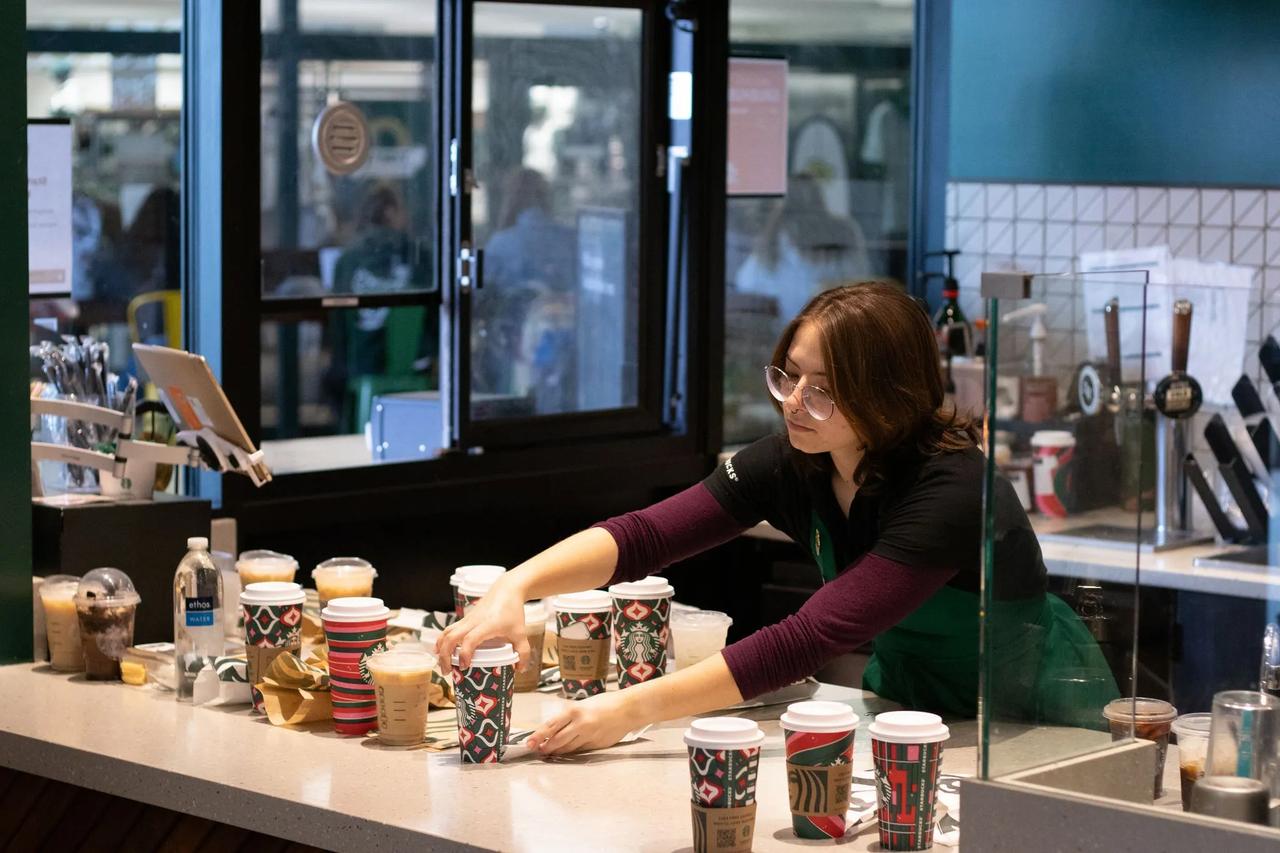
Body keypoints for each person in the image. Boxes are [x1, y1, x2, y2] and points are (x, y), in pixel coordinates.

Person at [437, 282, 1117, 755]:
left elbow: (807, 636)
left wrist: (629, 709)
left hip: (1024, 719)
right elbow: (645, 535)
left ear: (890, 398)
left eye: (822, 392)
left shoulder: (952, 488)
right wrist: (514, 587)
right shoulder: (799, 457)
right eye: (789, 376)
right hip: (908, 703)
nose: (794, 403)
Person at [733, 173, 870, 332]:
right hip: (825, 331)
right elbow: (862, 280)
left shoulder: (776, 236)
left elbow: (746, 283)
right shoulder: (775, 238)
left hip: (805, 332)